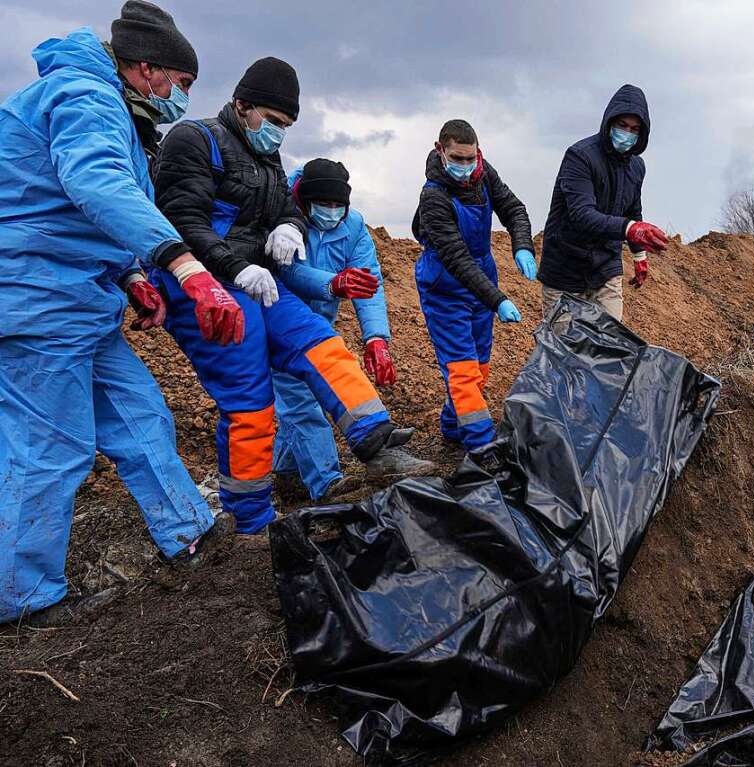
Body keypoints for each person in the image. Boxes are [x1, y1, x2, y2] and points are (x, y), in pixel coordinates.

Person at [0, 2, 245, 625]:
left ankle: (189, 533)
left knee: (141, 414)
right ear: (146, 69)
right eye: (180, 84)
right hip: (33, 296)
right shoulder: (85, 96)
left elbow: (77, 211)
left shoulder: (113, 111)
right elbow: (95, 184)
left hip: (79, 299)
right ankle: (23, 600)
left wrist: (133, 275)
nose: (180, 98)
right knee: (50, 447)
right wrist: (183, 265)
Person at [152, 58, 435, 535]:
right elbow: (182, 220)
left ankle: (379, 446)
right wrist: (235, 267)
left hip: (259, 281)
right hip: (204, 284)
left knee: (323, 346)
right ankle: (252, 521)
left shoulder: (267, 160)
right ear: (242, 106)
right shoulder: (193, 140)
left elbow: (287, 208)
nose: (280, 133)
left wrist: (288, 224)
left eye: (287, 126)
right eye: (276, 121)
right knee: (251, 403)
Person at [273, 158, 396, 501]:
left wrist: (376, 338)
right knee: (301, 404)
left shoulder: (353, 226)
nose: (330, 211)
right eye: (322, 204)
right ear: (305, 199)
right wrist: (333, 284)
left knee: (302, 398)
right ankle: (327, 484)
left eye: (337, 205)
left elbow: (369, 283)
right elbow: (287, 271)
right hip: (281, 323)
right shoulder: (284, 218)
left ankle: (286, 475)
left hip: (318, 327)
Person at [412, 119, 536, 452]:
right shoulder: (433, 197)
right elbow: (456, 257)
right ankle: (482, 447)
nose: (465, 167)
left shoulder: (484, 174)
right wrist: (498, 300)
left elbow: (513, 208)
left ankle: (453, 425)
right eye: (457, 158)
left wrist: (522, 243)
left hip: (482, 276)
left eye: (470, 159)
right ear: (441, 151)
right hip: (445, 287)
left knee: (479, 365)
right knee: (462, 370)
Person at [538, 84, 670, 322]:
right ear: (609, 122)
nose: (627, 133)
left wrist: (639, 256)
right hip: (565, 268)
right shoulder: (580, 157)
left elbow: (633, 210)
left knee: (610, 346)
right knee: (565, 350)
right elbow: (582, 214)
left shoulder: (636, 166)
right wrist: (629, 228)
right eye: (622, 125)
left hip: (605, 267)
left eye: (634, 129)